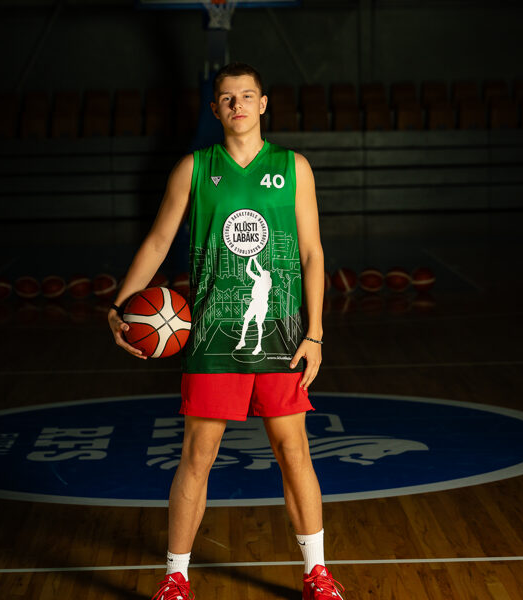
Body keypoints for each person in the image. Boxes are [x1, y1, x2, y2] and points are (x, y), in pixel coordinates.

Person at [108, 62, 344, 600]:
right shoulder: (193, 168)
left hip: (283, 334)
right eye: (227, 98)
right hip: (213, 333)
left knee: (294, 452)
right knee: (198, 455)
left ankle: (317, 574)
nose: (238, 105)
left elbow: (312, 253)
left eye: (247, 96)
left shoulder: (293, 167)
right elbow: (158, 242)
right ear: (214, 109)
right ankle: (175, 577)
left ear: (264, 104)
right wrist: (120, 305)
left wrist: (315, 334)